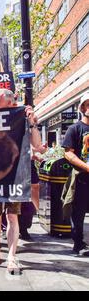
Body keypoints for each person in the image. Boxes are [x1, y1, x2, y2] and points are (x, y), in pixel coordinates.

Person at [0, 88, 42, 274]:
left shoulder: (22, 117)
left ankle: (11, 256)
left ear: (10, 102)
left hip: (16, 176)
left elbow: (37, 145)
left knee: (12, 217)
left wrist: (32, 122)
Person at [62, 96, 89, 255]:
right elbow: (68, 154)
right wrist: (86, 167)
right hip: (81, 180)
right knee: (78, 214)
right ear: (83, 108)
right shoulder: (75, 129)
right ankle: (78, 244)